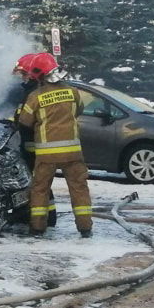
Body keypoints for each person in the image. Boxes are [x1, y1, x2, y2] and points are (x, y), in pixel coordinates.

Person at [17, 53, 92, 238]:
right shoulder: (72, 92)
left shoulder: (35, 96)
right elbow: (79, 110)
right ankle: (85, 228)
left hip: (46, 154)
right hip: (73, 152)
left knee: (40, 189)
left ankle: (37, 228)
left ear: (39, 75)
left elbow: (25, 121)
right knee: (79, 188)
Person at [10, 54, 57, 227]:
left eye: (24, 73)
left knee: (38, 183)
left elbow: (26, 119)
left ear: (32, 73)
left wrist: (15, 123)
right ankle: (42, 214)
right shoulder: (32, 89)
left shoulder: (35, 91)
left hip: (35, 146)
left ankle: (44, 218)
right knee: (39, 182)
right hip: (35, 145)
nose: (22, 77)